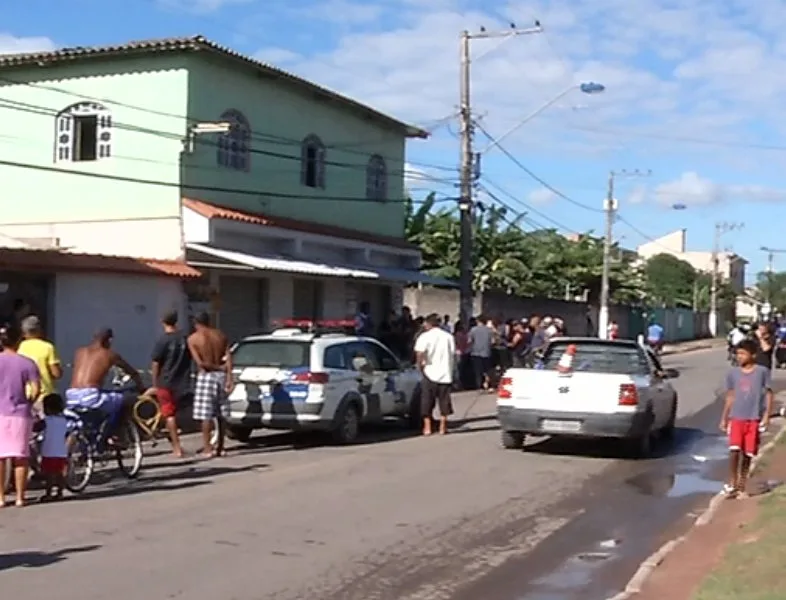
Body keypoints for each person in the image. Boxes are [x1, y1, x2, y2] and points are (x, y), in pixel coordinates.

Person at [720, 338, 774, 498]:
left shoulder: (762, 372)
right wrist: (724, 417)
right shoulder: (733, 374)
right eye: (738, 354)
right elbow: (730, 396)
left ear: (753, 355)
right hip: (736, 417)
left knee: (748, 453)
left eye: (743, 354)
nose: (740, 357)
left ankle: (742, 484)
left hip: (753, 418)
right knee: (734, 450)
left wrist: (767, 415)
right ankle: (732, 482)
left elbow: (769, 394)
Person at [65, 328, 144, 430]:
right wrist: (141, 387)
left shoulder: (79, 352)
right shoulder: (110, 354)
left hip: (72, 396)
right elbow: (132, 372)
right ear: (109, 340)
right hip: (91, 396)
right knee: (124, 401)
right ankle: (112, 433)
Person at [0, 324, 40, 507]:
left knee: (1, 456)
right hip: (20, 413)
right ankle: (19, 497)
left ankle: (0, 497)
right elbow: (36, 389)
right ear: (19, 340)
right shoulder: (27, 363)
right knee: (20, 456)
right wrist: (29, 401)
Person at [187, 312, 233, 458]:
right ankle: (220, 447)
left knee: (205, 414)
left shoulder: (193, 339)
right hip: (221, 376)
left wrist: (217, 368)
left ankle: (208, 448)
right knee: (221, 414)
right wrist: (229, 377)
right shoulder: (220, 335)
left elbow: (200, 363)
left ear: (196, 322)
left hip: (206, 376)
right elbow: (229, 358)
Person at [149, 310, 193, 458]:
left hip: (166, 381)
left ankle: (177, 448)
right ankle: (167, 435)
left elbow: (156, 363)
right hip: (182, 382)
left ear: (162, 321)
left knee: (170, 415)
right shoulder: (185, 338)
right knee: (170, 412)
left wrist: (155, 383)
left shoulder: (163, 340)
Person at [413, 313, 456, 436]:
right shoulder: (448, 337)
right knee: (444, 400)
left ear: (428, 324)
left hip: (429, 372)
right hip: (445, 373)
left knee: (427, 400)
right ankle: (443, 426)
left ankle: (427, 427)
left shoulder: (424, 337)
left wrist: (420, 365)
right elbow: (453, 353)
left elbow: (419, 353)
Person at [18, 315, 62, 410]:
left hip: (24, 395)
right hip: (45, 396)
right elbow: (56, 373)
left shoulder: (19, 347)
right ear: (39, 330)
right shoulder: (47, 347)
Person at [37, 393, 68, 502]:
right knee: (60, 473)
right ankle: (60, 492)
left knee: (49, 474)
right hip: (61, 452)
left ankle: (48, 493)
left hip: (49, 452)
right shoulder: (64, 420)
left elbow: (35, 428)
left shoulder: (46, 421)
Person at [468, 315, 493, 391]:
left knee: (478, 371)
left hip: (475, 353)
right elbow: (492, 341)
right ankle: (488, 384)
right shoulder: (489, 330)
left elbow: (469, 341)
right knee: (487, 370)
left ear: (478, 321)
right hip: (486, 352)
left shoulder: (473, 330)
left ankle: (480, 386)